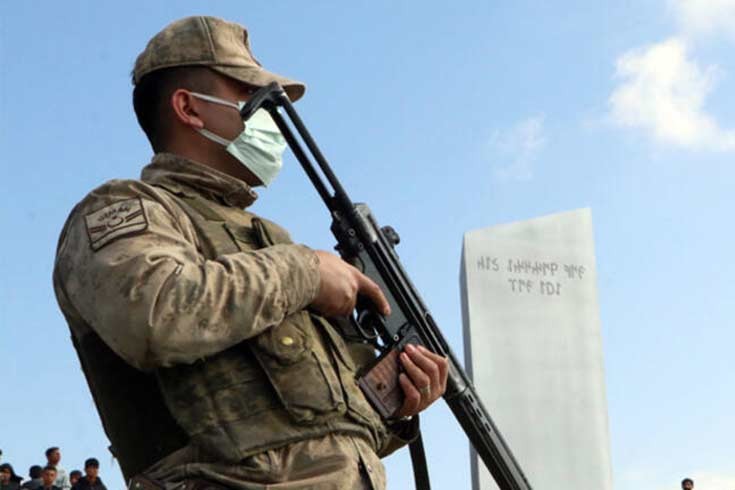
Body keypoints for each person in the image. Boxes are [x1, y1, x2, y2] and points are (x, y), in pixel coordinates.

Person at [53, 15, 448, 490]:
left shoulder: (267, 241)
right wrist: (306, 271)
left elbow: (312, 431)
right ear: (189, 108)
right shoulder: (127, 209)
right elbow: (155, 315)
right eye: (251, 98)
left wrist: (398, 402)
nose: (272, 121)